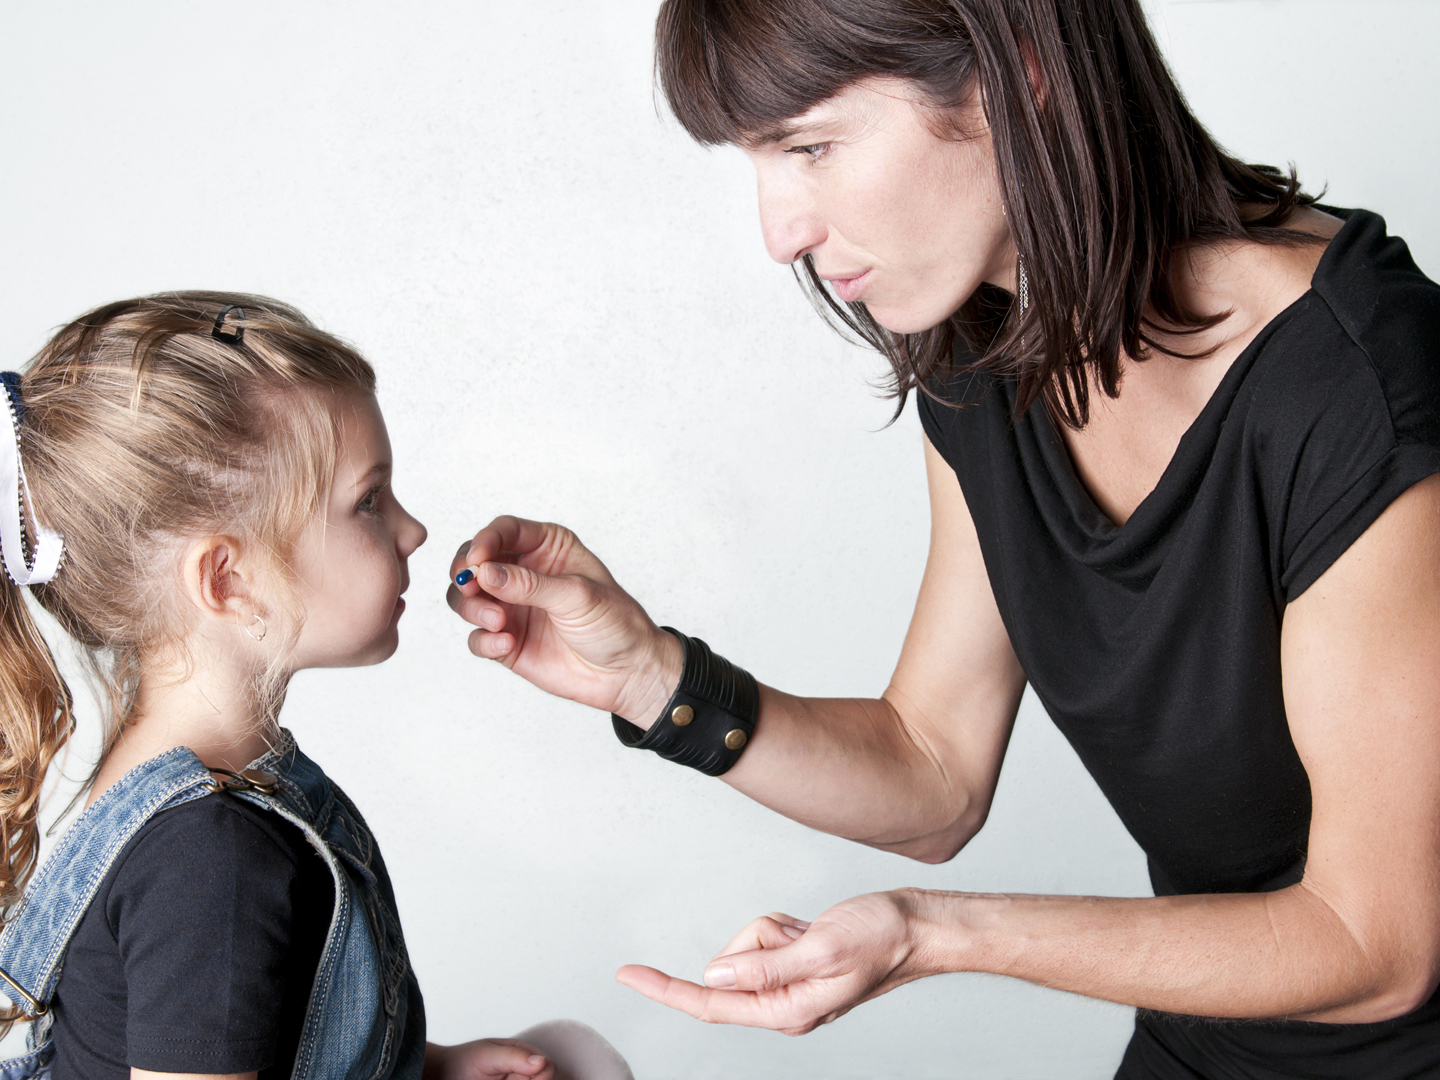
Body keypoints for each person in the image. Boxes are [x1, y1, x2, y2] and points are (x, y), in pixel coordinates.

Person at [446, 0, 1440, 1076]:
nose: (780, 231)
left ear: (1018, 70)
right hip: (1218, 1040)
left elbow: (1372, 944)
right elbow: (934, 770)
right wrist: (651, 681)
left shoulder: (1360, 390)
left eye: (812, 147)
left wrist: (936, 932)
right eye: (759, 164)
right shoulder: (984, 349)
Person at [0, 293, 634, 1080]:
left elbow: (256, 1027)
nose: (413, 530)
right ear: (228, 581)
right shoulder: (212, 864)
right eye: (368, 501)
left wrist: (429, 1067)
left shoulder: (173, 790)